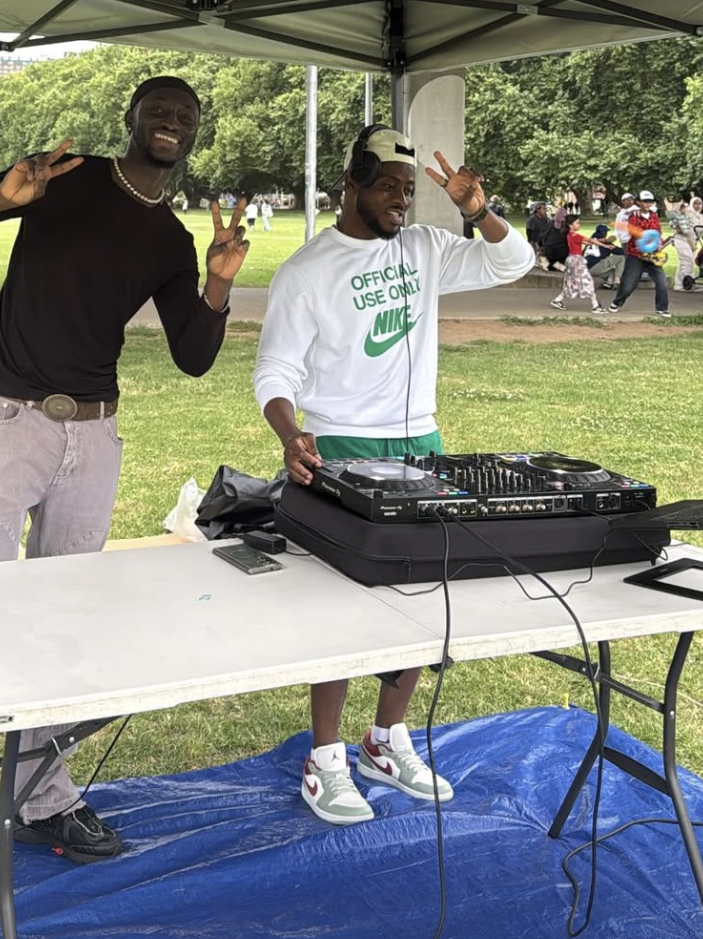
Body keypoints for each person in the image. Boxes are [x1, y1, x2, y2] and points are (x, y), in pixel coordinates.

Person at [0, 76, 250, 933]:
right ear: (130, 119)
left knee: (65, 626)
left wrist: (215, 282)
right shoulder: (63, 176)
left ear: (193, 136)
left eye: (185, 117)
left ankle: (39, 795)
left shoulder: (171, 236)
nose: (170, 124)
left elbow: (195, 357)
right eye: (158, 111)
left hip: (90, 438)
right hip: (6, 422)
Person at [252, 126, 534, 825]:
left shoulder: (427, 249)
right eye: (387, 187)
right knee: (339, 608)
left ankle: (386, 738)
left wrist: (476, 208)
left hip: (422, 443)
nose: (400, 203)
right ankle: (325, 759)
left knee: (420, 595)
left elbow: (513, 261)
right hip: (342, 445)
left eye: (408, 191)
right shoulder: (307, 269)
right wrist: (292, 434)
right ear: (350, 183)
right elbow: (274, 370)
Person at [607, 190, 670, 318]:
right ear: (639, 202)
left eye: (650, 202)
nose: (647, 204)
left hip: (652, 256)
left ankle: (662, 308)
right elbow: (634, 234)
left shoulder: (654, 216)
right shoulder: (633, 216)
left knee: (662, 281)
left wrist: (658, 244)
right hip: (636, 255)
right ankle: (617, 302)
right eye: (645, 201)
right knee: (629, 284)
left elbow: (658, 232)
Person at [549, 215, 607, 313]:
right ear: (571, 225)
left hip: (571, 260)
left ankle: (557, 300)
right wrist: (605, 245)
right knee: (587, 281)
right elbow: (590, 240)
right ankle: (595, 306)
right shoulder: (576, 236)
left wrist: (599, 241)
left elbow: (587, 242)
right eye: (577, 223)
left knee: (571, 282)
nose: (579, 225)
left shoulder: (570, 235)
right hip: (577, 261)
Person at [664, 196, 699, 291]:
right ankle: (688, 283)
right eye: (683, 207)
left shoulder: (690, 215)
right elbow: (682, 229)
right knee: (687, 262)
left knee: (684, 262)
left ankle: (679, 284)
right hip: (681, 240)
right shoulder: (678, 217)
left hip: (690, 240)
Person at [584, 223, 624, 290]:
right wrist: (612, 245)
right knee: (621, 258)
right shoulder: (605, 242)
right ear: (604, 233)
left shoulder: (590, 240)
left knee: (614, 271)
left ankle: (609, 283)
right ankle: (617, 280)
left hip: (587, 269)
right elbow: (621, 252)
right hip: (595, 267)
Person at [525, 202, 551, 269]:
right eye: (543, 208)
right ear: (538, 209)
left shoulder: (546, 219)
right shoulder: (532, 219)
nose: (545, 210)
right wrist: (531, 241)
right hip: (534, 242)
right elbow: (529, 231)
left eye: (545, 208)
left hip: (543, 242)